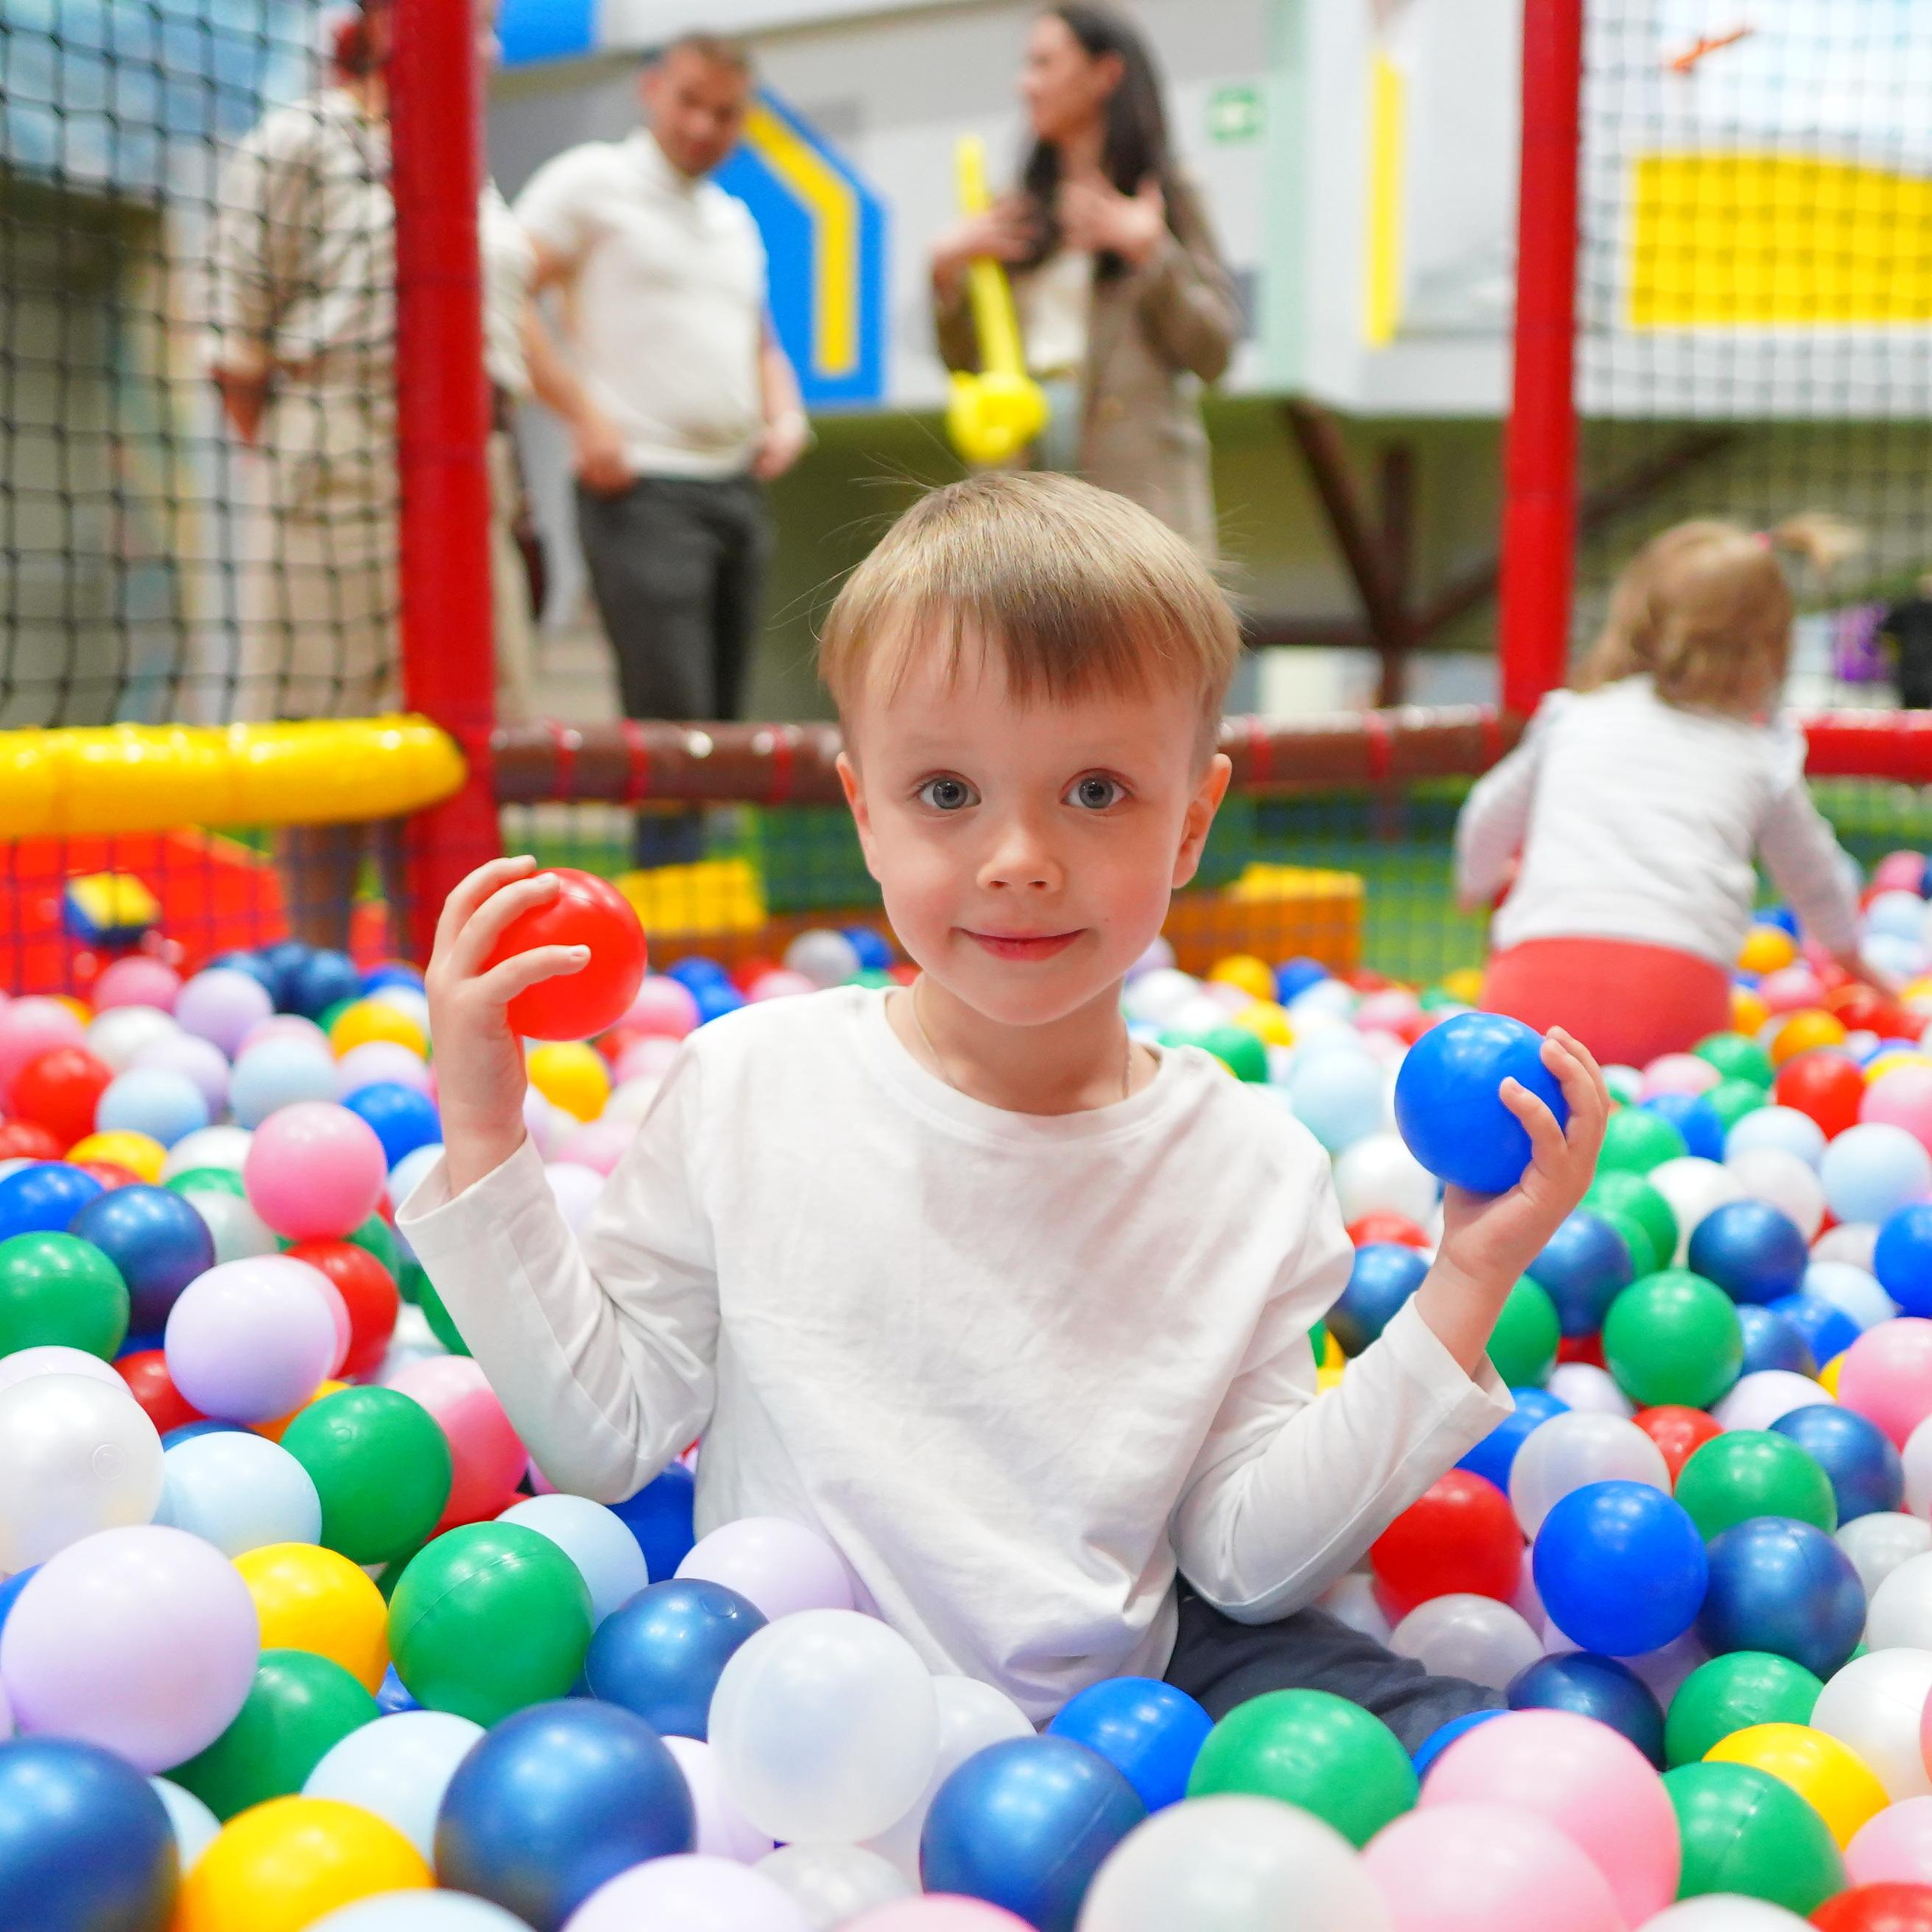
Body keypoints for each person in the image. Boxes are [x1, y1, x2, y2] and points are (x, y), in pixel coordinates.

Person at [401, 472, 1608, 1746]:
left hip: (1121, 1739)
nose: (1019, 857)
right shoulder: (750, 1087)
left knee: (1491, 1760)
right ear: (863, 811)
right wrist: (484, 1135)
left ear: (1192, 821)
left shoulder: (1251, 1168)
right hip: (791, 1732)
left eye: (1096, 792)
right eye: (946, 794)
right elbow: (607, 1437)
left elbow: (1247, 1563)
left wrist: (1467, 1279)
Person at [205, 0, 546, 943]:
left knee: (460, 738)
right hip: (342, 456)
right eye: (474, 23)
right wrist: (306, 465)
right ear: (395, 25)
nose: (492, 46)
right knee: (327, 724)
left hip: (472, 475)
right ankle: (313, 958)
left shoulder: (459, 161)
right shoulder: (304, 138)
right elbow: (236, 344)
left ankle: (435, 965)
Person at [515, 32, 811, 869]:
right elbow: (503, 292)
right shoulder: (591, 182)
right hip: (640, 488)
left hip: (736, 490)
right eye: (690, 101)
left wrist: (784, 415)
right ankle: (668, 910)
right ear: (652, 91)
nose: (704, 125)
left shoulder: (733, 219)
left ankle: (705, 902)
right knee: (669, 719)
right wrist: (584, 417)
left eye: (725, 112)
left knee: (718, 724)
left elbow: (760, 342)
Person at [1456, 516, 1872, 1069]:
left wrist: (1474, 884)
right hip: (1674, 1005)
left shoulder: (1573, 719)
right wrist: (1860, 965)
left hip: (1529, 998)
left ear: (1639, 619)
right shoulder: (1761, 755)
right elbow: (1818, 883)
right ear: (1774, 647)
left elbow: (1487, 814)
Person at [928, 5, 1241, 556]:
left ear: (1105, 74)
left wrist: (1152, 252)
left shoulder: (1171, 194)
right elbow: (962, 362)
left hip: (1142, 502)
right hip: (1023, 486)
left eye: (1044, 63)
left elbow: (1214, 353)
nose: (1025, 85)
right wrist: (946, 272)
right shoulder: (1011, 209)